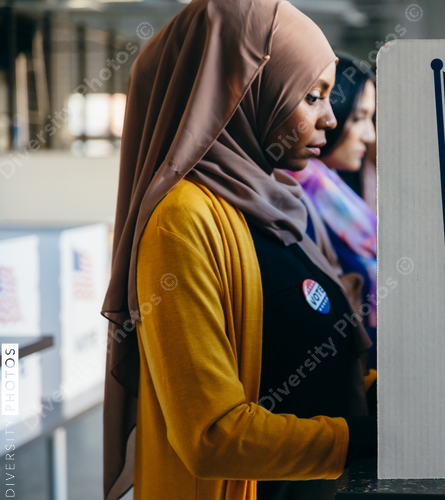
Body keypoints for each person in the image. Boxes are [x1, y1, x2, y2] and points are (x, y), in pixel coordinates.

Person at [100, 2, 376, 500]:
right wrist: (362, 440)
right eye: (312, 96)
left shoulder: (278, 204)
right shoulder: (183, 222)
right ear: (246, 90)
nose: (330, 119)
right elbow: (212, 436)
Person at [289, 54, 378, 367]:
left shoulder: (339, 189)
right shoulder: (292, 200)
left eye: (371, 119)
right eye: (358, 117)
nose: (370, 135)